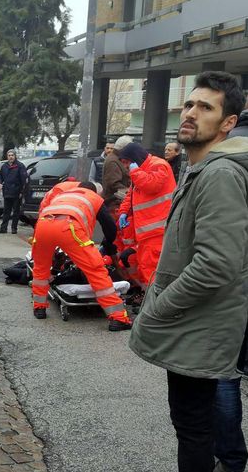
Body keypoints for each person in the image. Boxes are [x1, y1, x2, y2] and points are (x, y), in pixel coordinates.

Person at [129, 71, 248, 472]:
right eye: (190, 104)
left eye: (206, 107)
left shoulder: (219, 175)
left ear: (228, 122)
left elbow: (217, 263)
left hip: (199, 327)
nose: (191, 113)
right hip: (194, 327)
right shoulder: (199, 168)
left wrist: (161, 306)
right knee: (194, 425)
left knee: (194, 429)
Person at [30, 181, 132, 331]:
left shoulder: (64, 195)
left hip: (43, 225)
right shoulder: (94, 198)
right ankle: (118, 318)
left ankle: (39, 308)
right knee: (96, 270)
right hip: (68, 228)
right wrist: (109, 242)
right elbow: (109, 225)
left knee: (41, 268)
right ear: (94, 191)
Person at [213, 101, 248, 472]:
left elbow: (215, 256)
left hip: (232, 293)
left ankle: (231, 459)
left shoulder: (224, 164)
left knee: (222, 376)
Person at [115, 142, 176, 288]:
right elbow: (131, 194)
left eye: (126, 162)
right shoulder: (141, 169)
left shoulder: (158, 165)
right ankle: (147, 299)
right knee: (144, 266)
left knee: (151, 268)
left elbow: (152, 186)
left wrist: (135, 172)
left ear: (134, 158)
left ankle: (153, 303)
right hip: (147, 230)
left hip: (158, 229)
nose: (125, 166)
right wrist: (123, 212)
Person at [0, 149, 28, 234]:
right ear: (7, 156)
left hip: (17, 192)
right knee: (6, 211)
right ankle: (3, 228)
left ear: (15, 156)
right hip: (7, 192)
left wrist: (21, 192)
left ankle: (14, 228)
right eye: (9, 155)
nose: (11, 157)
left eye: (12, 155)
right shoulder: (4, 166)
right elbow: (0, 176)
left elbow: (24, 180)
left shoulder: (20, 166)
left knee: (16, 212)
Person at [102, 135, 133, 216]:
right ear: (124, 148)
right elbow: (113, 183)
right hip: (114, 203)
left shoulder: (117, 158)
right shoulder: (113, 161)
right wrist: (129, 191)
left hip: (116, 202)